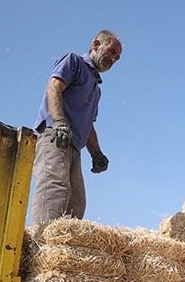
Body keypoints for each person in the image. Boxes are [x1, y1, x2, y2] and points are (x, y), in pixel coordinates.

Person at [29, 30, 122, 225]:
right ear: (96, 45)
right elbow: (54, 87)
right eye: (111, 51)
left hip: (74, 146)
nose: (113, 59)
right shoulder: (73, 62)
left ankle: (64, 249)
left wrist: (96, 153)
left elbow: (88, 124)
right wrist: (59, 123)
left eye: (116, 57)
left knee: (77, 201)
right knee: (55, 187)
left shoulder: (96, 90)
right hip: (54, 135)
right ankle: (43, 244)